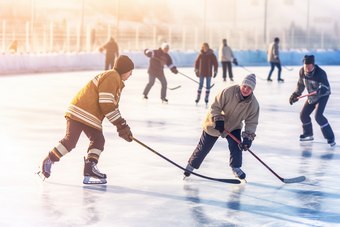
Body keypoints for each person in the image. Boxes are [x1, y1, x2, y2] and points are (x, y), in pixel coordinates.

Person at [38, 55, 135, 184]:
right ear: (124, 70)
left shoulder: (115, 78)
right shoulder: (113, 76)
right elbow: (106, 103)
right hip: (82, 112)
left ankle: (89, 168)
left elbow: (110, 105)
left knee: (96, 140)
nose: (131, 74)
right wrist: (121, 124)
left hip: (88, 114)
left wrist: (120, 125)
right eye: (130, 71)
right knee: (72, 141)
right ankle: (48, 160)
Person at [183, 74, 259, 180]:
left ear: (252, 90)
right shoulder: (228, 91)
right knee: (204, 146)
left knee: (237, 144)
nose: (246, 89)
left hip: (233, 125)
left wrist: (248, 138)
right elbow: (215, 106)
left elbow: (252, 122)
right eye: (244, 86)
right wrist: (218, 119)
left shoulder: (253, 104)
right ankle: (190, 167)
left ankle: (236, 168)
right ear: (241, 85)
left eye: (249, 88)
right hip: (215, 122)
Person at [289, 55, 335, 147]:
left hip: (322, 96)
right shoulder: (302, 71)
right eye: (305, 66)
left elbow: (325, 85)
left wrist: (322, 88)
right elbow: (300, 84)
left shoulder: (320, 72)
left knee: (318, 116)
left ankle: (330, 137)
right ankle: (308, 134)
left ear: (313, 65)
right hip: (312, 96)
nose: (307, 68)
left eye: (309, 66)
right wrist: (295, 95)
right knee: (303, 115)